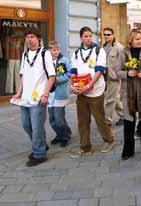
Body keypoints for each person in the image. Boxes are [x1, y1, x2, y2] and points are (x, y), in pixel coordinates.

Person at [12, 28, 55, 167]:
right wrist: (19, 92)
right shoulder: (24, 54)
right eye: (27, 37)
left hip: (39, 97)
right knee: (26, 125)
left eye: (32, 37)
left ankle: (39, 154)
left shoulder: (45, 54)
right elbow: (23, 75)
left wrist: (45, 94)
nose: (29, 39)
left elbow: (52, 76)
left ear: (38, 39)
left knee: (37, 127)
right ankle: (41, 144)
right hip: (25, 97)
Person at [70, 26, 115, 157]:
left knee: (99, 118)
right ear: (81, 37)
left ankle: (109, 140)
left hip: (96, 90)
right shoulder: (77, 53)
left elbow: (99, 70)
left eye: (90, 36)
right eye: (85, 36)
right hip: (81, 91)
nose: (88, 38)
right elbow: (73, 72)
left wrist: (90, 85)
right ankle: (85, 147)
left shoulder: (98, 51)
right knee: (82, 120)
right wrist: (73, 86)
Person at [118, 29, 141, 161]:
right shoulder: (123, 53)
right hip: (128, 92)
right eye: (137, 39)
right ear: (130, 40)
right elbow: (117, 71)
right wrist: (128, 74)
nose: (139, 41)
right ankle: (128, 150)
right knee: (129, 122)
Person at [47, 41, 72, 147]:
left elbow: (69, 74)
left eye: (57, 49)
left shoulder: (64, 60)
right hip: (49, 94)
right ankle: (59, 135)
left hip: (60, 93)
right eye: (54, 50)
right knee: (52, 119)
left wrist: (56, 80)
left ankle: (65, 136)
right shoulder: (46, 61)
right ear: (49, 50)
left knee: (59, 118)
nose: (56, 52)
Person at [102, 27, 124, 126]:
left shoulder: (119, 47)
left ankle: (107, 121)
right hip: (105, 77)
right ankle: (124, 116)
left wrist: (119, 75)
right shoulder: (103, 47)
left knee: (109, 99)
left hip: (114, 77)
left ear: (113, 35)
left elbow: (124, 62)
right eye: (105, 34)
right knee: (116, 98)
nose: (106, 36)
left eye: (108, 34)